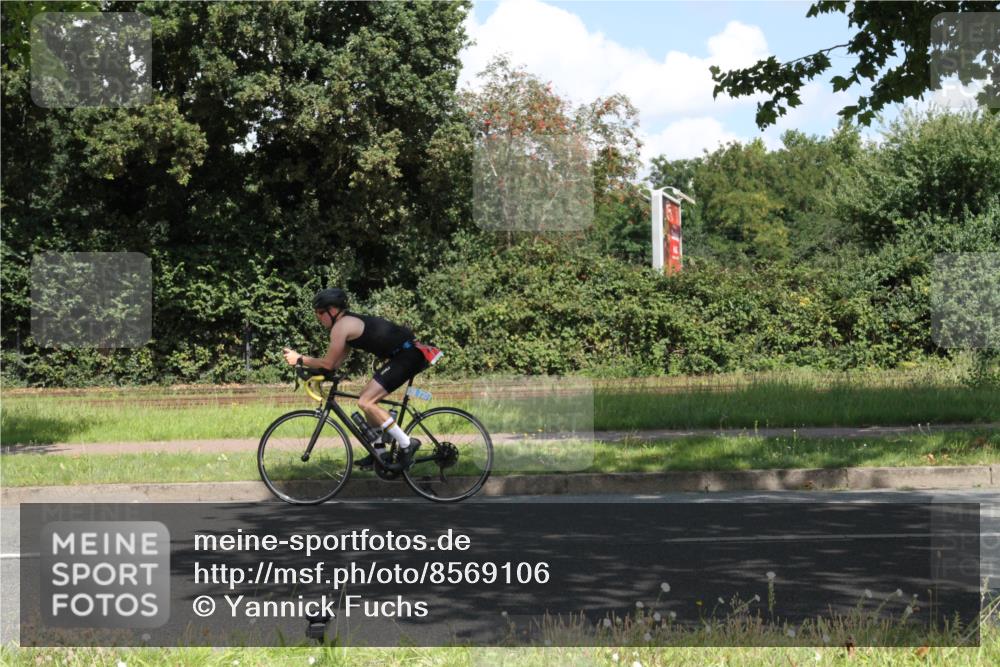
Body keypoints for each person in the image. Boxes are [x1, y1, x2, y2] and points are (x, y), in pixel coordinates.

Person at [282, 288, 442, 470]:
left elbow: (327, 363)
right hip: (406, 354)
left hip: (407, 355)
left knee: (366, 402)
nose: (318, 317)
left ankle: (407, 443)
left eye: (320, 312)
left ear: (333, 311)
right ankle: (379, 453)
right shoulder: (346, 325)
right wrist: (311, 371)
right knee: (365, 398)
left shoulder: (341, 327)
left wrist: (300, 359)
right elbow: (333, 365)